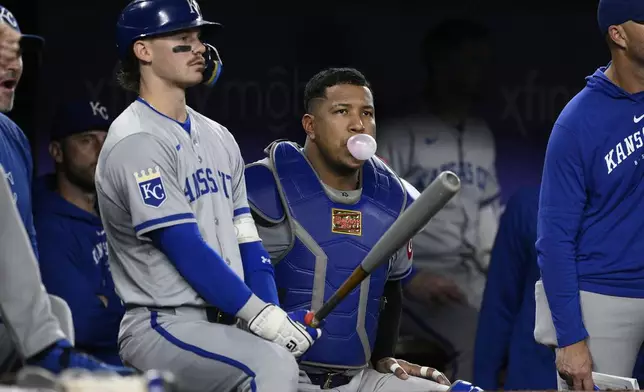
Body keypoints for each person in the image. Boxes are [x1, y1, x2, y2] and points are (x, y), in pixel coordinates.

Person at [95, 1, 321, 391]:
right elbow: (183, 245)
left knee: (302, 380)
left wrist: (272, 315)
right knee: (269, 367)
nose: (199, 48)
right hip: (163, 323)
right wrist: (261, 319)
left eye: (199, 38)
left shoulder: (219, 136)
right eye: (184, 39)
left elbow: (248, 239)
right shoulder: (137, 139)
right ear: (143, 50)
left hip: (228, 319)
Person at [245, 67, 481, 392]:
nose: (359, 124)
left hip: (357, 378)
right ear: (310, 126)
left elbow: (393, 288)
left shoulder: (392, 197)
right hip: (281, 375)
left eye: (366, 113)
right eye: (342, 111)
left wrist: (384, 356)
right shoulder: (265, 187)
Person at [0, 4, 133, 376]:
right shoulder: (53, 215)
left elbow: (25, 259)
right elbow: (82, 318)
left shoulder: (12, 138)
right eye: (86, 140)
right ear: (57, 152)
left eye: (18, 52)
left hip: (22, 339)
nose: (14, 63)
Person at [376, 19, 499, 381]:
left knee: (529, 323)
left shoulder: (481, 134)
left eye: (483, 61)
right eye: (471, 61)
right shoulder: (400, 131)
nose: (481, 71)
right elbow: (375, 212)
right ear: (440, 64)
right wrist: (410, 276)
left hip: (471, 275)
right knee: (476, 336)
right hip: (420, 276)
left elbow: (488, 219)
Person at [534, 1, 644, 390]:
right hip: (603, 295)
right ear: (618, 34)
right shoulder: (577, 121)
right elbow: (554, 239)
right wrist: (570, 337)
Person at [33, 99, 124, 366]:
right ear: (57, 152)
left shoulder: (121, 217)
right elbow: (82, 324)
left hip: (142, 362)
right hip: (91, 372)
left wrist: (111, 305)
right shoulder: (47, 227)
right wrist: (141, 316)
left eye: (106, 140)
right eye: (86, 141)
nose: (101, 150)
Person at [473, 186, 556, 390]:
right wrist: (483, 384)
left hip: (621, 375)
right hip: (534, 376)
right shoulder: (529, 205)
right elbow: (500, 303)